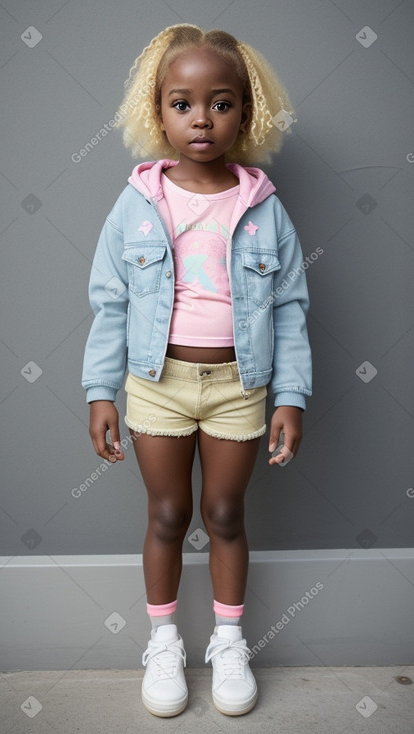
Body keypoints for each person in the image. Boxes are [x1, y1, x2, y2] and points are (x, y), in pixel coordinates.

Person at [82, 23, 312, 718]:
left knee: (223, 512)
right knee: (167, 512)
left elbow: (290, 307)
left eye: (220, 102)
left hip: (240, 390)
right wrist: (100, 391)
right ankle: (161, 644)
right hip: (157, 385)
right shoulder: (137, 205)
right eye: (181, 103)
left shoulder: (263, 208)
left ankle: (230, 641)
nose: (201, 118)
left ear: (248, 113)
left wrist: (290, 394)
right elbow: (110, 304)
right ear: (156, 112)